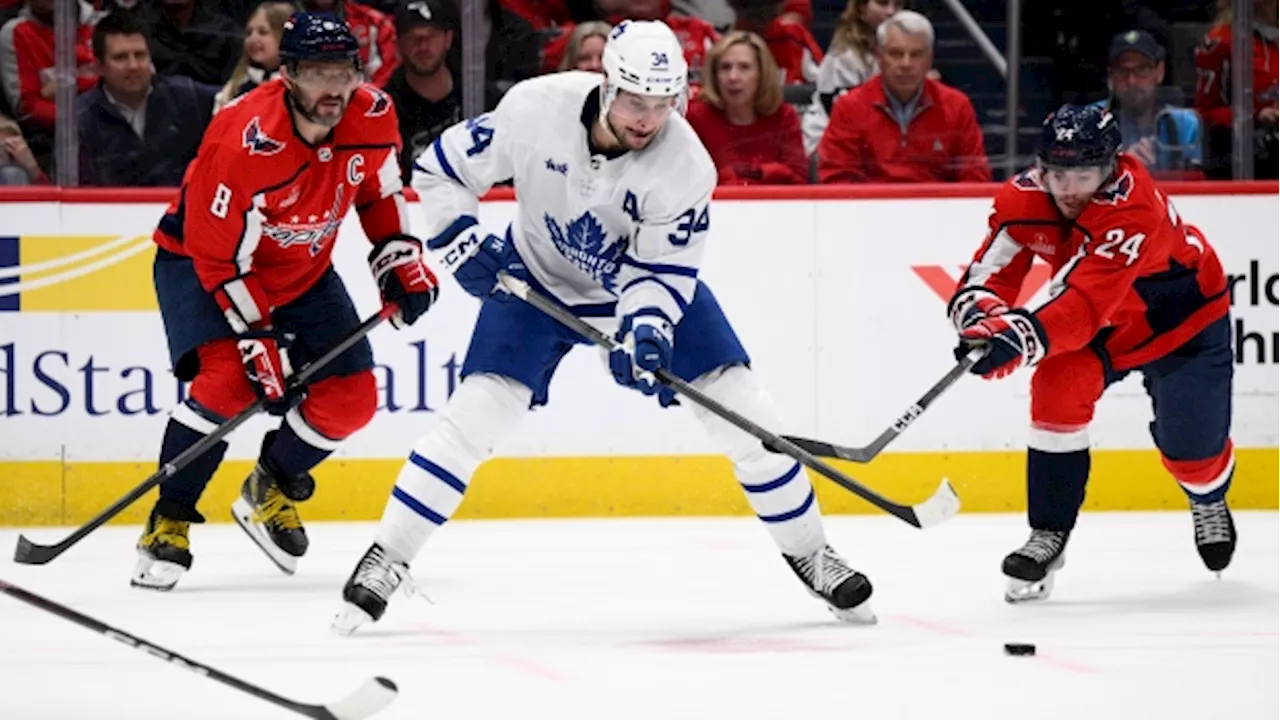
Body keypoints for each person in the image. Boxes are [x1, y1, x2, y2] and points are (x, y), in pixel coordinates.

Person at [331, 19, 874, 634]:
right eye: (636, 101)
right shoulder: (536, 107)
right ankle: (388, 557)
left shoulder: (686, 165)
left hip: (634, 290)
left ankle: (810, 551)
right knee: (474, 419)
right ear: (607, 85)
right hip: (533, 281)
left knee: (746, 412)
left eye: (662, 104)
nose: (648, 118)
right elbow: (442, 170)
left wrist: (645, 331)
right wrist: (458, 240)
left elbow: (662, 273)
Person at [133, 12, 440, 592]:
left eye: (344, 71)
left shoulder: (372, 113)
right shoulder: (241, 135)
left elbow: (379, 191)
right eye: (318, 73)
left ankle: (272, 482)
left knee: (351, 399)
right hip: (202, 264)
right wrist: (257, 338)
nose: (335, 88)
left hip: (301, 271)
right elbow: (218, 257)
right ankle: (168, 521)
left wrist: (399, 257)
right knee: (228, 383)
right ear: (288, 74)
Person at [947, 104, 1235, 603]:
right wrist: (983, 323)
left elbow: (1081, 306)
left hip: (1182, 321)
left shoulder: (1133, 204)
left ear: (1111, 166)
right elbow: (984, 279)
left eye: (1084, 173)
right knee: (1056, 388)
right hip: (1104, 330)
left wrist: (1017, 337)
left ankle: (1207, 495)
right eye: (1057, 173)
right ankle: (1048, 535)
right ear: (1040, 167)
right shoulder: (1023, 199)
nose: (1069, 188)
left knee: (1193, 458)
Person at [686, 30, 807, 184]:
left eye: (744, 67)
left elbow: (798, 180)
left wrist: (754, 174)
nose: (733, 77)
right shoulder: (698, 118)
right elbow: (690, 183)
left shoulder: (783, 116)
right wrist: (771, 172)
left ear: (762, 74)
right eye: (725, 68)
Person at [1093, 30, 1203, 175]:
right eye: (1122, 71)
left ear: (1159, 72)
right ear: (1111, 77)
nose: (1131, 81)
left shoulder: (1185, 124)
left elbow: (1196, 186)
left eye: (1142, 69)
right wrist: (1120, 167)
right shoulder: (1090, 120)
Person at [801, 0, 900, 155]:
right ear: (861, 7)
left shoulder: (897, 51)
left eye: (897, 5)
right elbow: (846, 114)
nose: (891, 12)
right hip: (825, 138)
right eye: (883, 3)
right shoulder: (844, 55)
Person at [214, 0, 294, 113]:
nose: (253, 39)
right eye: (249, 32)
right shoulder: (238, 83)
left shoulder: (296, 87)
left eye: (263, 32)